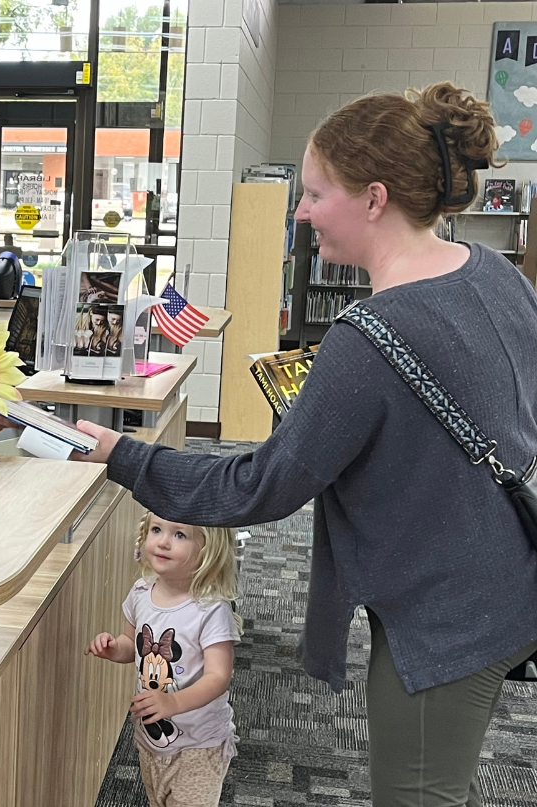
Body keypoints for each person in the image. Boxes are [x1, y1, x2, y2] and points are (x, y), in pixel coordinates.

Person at [76, 82, 537, 807]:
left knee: (418, 792)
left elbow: (258, 486)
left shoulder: (367, 340)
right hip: (511, 575)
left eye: (316, 193)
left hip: (447, 614)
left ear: (375, 198)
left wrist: (122, 454)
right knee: (448, 775)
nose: (300, 210)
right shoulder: (498, 277)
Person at [86, 513, 241, 807]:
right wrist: (112, 648)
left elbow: (218, 677)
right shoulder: (141, 593)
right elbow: (131, 645)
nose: (163, 542)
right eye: (157, 529)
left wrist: (172, 703)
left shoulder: (210, 609)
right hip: (150, 739)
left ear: (206, 549)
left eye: (180, 535)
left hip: (198, 745)